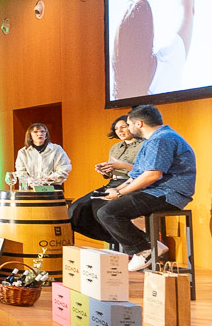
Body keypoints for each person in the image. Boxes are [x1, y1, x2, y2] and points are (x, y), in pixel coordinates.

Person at [84, 104, 197, 271]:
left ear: (139, 124)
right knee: (98, 206)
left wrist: (120, 192)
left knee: (109, 212)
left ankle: (144, 250)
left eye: (128, 124)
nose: (127, 128)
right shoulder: (152, 140)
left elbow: (152, 175)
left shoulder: (161, 139)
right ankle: (150, 245)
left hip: (168, 194)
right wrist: (116, 190)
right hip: (154, 191)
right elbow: (136, 175)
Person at [68, 115, 145, 240]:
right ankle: (118, 240)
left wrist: (123, 166)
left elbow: (145, 171)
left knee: (100, 209)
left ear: (131, 126)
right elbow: (111, 171)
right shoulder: (115, 148)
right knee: (75, 209)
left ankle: (141, 241)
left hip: (132, 184)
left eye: (123, 127)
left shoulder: (144, 145)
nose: (119, 131)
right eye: (116, 129)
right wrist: (105, 170)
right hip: (112, 183)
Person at [13, 123, 72, 187]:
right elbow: (21, 172)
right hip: (31, 187)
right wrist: (30, 182)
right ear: (30, 135)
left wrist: (47, 179)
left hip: (52, 187)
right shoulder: (23, 152)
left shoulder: (56, 149)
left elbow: (64, 168)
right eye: (35, 132)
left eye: (42, 131)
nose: (40, 134)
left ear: (46, 135)